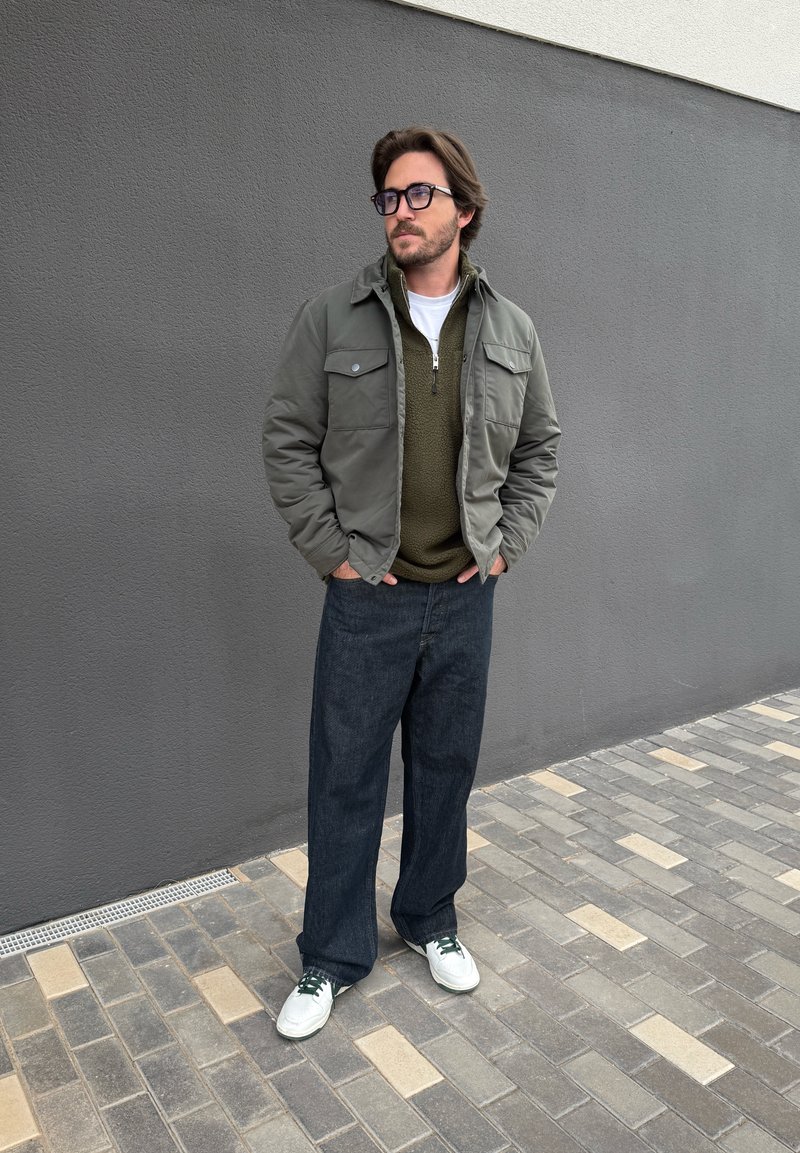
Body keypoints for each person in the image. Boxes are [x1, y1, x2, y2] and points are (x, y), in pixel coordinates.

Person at [262, 126, 560, 1040]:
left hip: (465, 598)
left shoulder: (510, 328)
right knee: (344, 779)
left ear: (464, 211)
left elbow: (540, 449)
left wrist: (505, 543)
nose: (401, 211)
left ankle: (430, 918)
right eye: (389, 197)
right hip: (369, 599)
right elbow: (287, 441)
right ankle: (331, 955)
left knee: (445, 773)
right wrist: (336, 555)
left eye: (419, 195)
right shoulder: (334, 315)